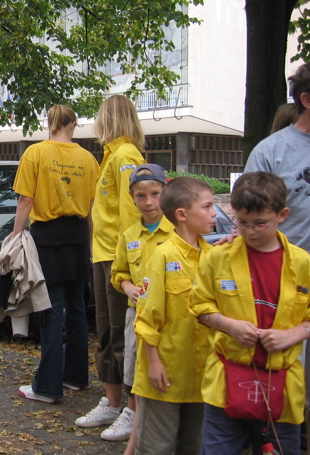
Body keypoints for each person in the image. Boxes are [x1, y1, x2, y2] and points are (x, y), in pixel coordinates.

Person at [191, 172, 310, 454]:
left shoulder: (303, 264)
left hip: (282, 385)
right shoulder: (218, 258)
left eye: (260, 223)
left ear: (282, 215)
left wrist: (292, 335)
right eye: (242, 222)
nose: (250, 231)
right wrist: (230, 325)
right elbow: (199, 306)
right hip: (226, 380)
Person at [245, 61, 310, 450]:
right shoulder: (271, 151)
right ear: (307, 100)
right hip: (283, 292)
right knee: (280, 395)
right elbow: (248, 220)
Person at [10, 104, 99, 404]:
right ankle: (76, 377)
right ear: (73, 124)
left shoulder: (35, 153)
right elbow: (91, 209)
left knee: (50, 310)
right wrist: (90, 245)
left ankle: (47, 387)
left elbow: (26, 199)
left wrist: (15, 236)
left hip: (47, 239)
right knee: (77, 309)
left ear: (49, 123)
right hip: (78, 238)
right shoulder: (88, 159)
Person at [131, 176, 216, 454]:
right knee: (157, 446)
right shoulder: (163, 256)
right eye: (207, 207)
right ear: (182, 214)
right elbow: (147, 318)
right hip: (166, 373)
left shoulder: (213, 256)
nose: (214, 213)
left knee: (194, 445)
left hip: (202, 375)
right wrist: (153, 362)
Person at [77, 94, 145, 431]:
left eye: (100, 117)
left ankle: (131, 409)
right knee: (106, 331)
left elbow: (132, 215)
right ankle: (113, 401)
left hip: (118, 260)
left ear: (110, 119)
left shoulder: (126, 156)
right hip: (103, 255)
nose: (96, 124)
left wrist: (127, 265)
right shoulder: (112, 155)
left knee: (121, 334)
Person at [107, 164, 173, 447]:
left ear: (166, 192)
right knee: (134, 366)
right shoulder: (130, 234)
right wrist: (127, 286)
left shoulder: (177, 230)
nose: (148, 202)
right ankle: (132, 413)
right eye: (141, 196)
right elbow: (118, 271)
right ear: (132, 198)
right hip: (137, 314)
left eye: (155, 194)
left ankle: (155, 420)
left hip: (170, 316)